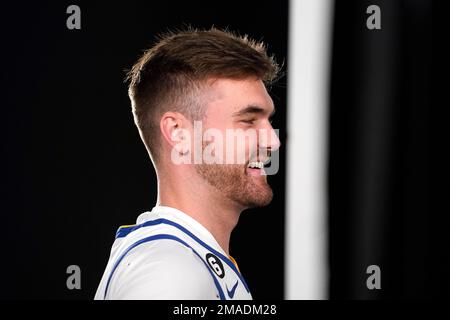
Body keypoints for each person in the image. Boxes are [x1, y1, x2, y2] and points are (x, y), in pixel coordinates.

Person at [94, 27, 281, 300]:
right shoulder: (169, 271)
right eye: (248, 120)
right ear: (179, 134)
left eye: (268, 121)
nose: (272, 142)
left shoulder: (186, 258)